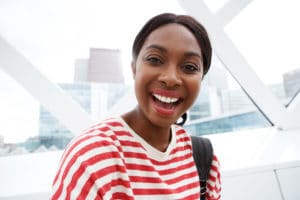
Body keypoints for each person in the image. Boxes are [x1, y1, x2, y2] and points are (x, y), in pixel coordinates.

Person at [51, 13, 221, 200]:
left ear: (201, 79)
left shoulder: (204, 159)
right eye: (155, 59)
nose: (171, 78)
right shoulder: (92, 155)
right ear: (134, 68)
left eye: (189, 67)